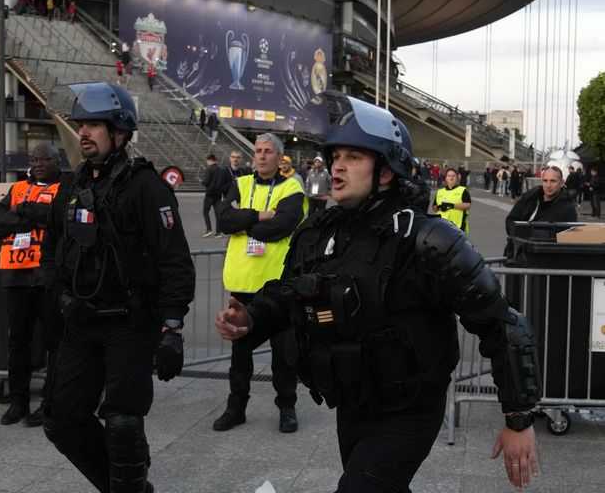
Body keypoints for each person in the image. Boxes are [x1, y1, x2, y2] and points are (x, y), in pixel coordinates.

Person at [215, 93, 541, 493]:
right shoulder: (318, 232)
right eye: (336, 156)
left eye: (353, 157)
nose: (337, 166)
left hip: (411, 409)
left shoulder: (429, 239)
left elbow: (503, 324)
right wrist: (250, 318)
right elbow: (287, 293)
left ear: (386, 171)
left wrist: (518, 419)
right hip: (353, 402)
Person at [39, 82, 195, 493]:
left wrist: (172, 328)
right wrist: (62, 299)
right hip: (80, 322)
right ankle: (123, 483)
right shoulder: (72, 186)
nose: (83, 132)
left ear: (120, 132)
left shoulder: (146, 186)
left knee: (123, 423)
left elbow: (175, 260)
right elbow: (51, 250)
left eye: (94, 125)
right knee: (61, 419)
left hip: (130, 324)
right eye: (81, 125)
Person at [213, 132, 307, 434]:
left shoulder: (292, 187)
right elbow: (223, 219)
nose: (262, 155)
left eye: (268, 151)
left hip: (277, 285)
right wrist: (260, 216)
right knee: (240, 352)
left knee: (283, 352)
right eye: (258, 150)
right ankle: (236, 408)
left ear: (280, 157)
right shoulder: (240, 183)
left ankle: (287, 407)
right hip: (243, 282)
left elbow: (283, 226)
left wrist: (244, 224)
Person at [0, 143, 65, 427]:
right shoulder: (18, 188)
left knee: (54, 342)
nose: (38, 163)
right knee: (18, 342)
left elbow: (56, 216)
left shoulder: (65, 188)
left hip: (48, 278)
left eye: (45, 159)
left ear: (57, 161)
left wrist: (23, 211)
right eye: (34, 159)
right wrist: (28, 219)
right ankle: (18, 401)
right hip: (16, 276)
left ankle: (49, 402)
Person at [504, 165, 577, 257]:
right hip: (517, 255)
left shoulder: (567, 208)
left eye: (553, 181)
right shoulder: (529, 198)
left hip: (544, 259)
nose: (548, 185)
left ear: (562, 182)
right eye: (545, 181)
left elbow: (567, 239)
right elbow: (511, 221)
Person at [433, 167, 472, 233]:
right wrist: (439, 207)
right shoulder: (440, 192)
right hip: (442, 225)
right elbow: (434, 206)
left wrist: (451, 206)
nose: (451, 177)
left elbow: (467, 205)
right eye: (449, 176)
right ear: (446, 178)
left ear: (457, 178)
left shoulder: (462, 190)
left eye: (453, 176)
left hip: (458, 226)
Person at [201, 153, 224, 237]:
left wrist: (202, 182)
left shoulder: (209, 170)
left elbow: (206, 182)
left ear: (210, 160)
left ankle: (209, 229)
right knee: (217, 213)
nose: (207, 163)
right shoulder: (220, 169)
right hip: (218, 194)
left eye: (207, 161)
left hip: (210, 194)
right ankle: (218, 232)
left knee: (205, 211)